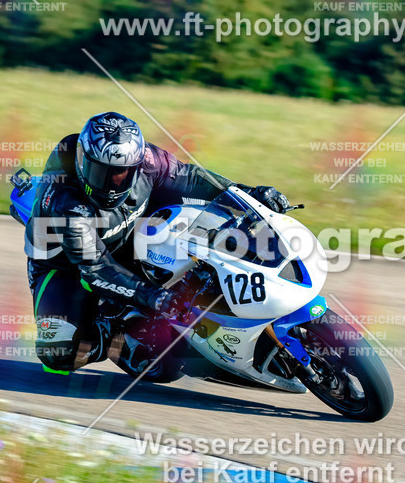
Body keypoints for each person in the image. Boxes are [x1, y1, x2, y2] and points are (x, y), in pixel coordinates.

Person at [24, 111, 290, 375]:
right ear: (83, 161)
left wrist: (247, 194)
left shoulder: (148, 159)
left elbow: (191, 177)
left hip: (131, 231)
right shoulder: (67, 204)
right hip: (66, 265)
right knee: (59, 353)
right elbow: (95, 268)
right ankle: (112, 326)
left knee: (206, 216)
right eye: (102, 172)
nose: (114, 183)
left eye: (123, 173)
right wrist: (152, 295)